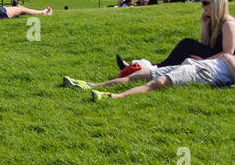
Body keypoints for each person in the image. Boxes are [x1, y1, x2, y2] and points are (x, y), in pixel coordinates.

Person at [115, 0, 235, 70]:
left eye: (204, 3)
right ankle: (144, 68)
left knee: (187, 44)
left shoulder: (228, 24)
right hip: (215, 56)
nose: (201, 6)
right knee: (185, 49)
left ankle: (147, 68)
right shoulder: (211, 20)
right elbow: (205, 45)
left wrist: (205, 60)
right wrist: (204, 25)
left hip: (226, 64)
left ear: (215, 5)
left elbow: (227, 54)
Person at [64, 50, 235, 101]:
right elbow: (222, 57)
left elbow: (227, 59)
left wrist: (227, 58)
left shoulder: (230, 58)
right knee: (139, 74)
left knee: (158, 82)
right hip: (193, 65)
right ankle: (91, 85)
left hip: (202, 73)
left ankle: (114, 96)